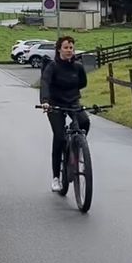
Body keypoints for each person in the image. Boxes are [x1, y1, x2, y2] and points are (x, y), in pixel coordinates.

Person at [40, 35, 88, 192]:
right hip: (55, 104)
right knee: (59, 137)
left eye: (71, 48)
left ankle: (78, 147)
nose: (69, 50)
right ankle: (56, 178)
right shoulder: (52, 66)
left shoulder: (78, 67)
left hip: (72, 102)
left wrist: (73, 94)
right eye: (66, 47)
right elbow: (45, 83)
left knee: (85, 122)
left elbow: (83, 83)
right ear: (59, 49)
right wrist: (45, 101)